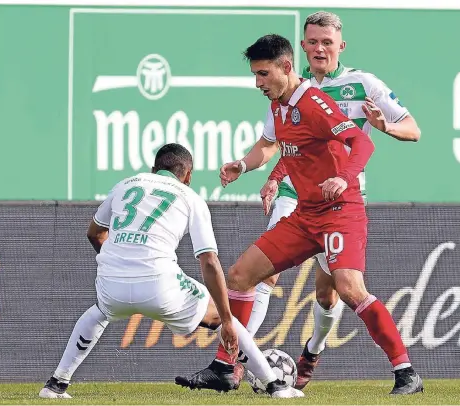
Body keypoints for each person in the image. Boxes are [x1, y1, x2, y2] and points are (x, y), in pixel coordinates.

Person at [176, 34, 423, 396]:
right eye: (255, 75)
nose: (257, 83)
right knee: (240, 276)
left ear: (286, 67)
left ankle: (406, 372)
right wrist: (243, 166)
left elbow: (362, 141)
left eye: (263, 74)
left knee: (349, 290)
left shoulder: (314, 103)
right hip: (305, 215)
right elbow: (274, 147)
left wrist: (342, 176)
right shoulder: (279, 105)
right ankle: (225, 368)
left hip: (340, 212)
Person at [39, 143, 303, 399]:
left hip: (112, 283)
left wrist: (119, 263)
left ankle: (56, 384)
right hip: (161, 285)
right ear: (188, 175)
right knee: (226, 319)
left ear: (154, 169)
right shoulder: (190, 197)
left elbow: (94, 233)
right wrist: (225, 320)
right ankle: (276, 386)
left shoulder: (125, 185)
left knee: (99, 312)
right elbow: (209, 261)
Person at [247, 11, 422, 391]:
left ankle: (313, 350)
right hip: (295, 196)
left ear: (340, 45)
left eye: (327, 42)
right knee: (263, 273)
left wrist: (383, 126)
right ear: (302, 47)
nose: (319, 49)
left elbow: (413, 130)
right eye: (312, 42)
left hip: (339, 196)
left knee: (332, 292)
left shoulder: (362, 83)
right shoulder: (285, 83)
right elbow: (279, 143)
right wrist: (272, 178)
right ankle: (238, 360)